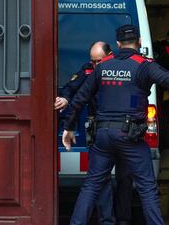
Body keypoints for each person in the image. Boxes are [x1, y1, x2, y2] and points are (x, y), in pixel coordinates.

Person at [62, 24, 169, 225]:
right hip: (129, 137)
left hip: (103, 135)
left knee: (91, 186)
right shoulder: (144, 65)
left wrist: (68, 127)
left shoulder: (102, 65)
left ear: (118, 44)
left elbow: (80, 97)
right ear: (140, 42)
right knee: (147, 188)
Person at [54, 41, 117, 225]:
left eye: (99, 61)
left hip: (122, 132)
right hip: (99, 131)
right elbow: (72, 88)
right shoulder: (89, 69)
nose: (95, 65)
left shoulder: (120, 68)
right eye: (93, 61)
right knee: (102, 179)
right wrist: (65, 97)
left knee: (126, 181)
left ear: (110, 55)